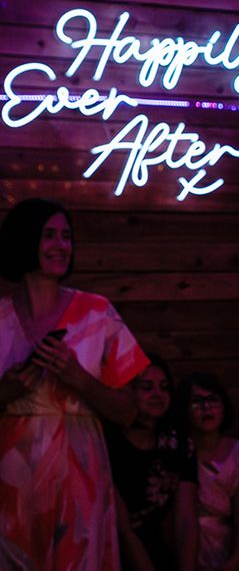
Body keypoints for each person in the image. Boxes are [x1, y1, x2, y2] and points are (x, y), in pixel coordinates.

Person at [0, 197, 149, 570]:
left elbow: (130, 412)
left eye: (66, 236)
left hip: (79, 472)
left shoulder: (97, 312)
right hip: (11, 474)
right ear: (24, 239)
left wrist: (78, 378)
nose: (61, 245)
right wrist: (7, 392)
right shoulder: (0, 317)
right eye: (49, 235)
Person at [105, 353, 199, 571]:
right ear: (128, 392)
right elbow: (123, 528)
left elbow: (186, 519)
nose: (158, 394)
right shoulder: (108, 445)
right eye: (147, 387)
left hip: (158, 548)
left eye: (164, 387)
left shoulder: (179, 445)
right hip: (111, 551)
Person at [178, 372, 239, 571]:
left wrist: (235, 561)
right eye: (198, 401)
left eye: (213, 400)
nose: (206, 408)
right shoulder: (179, 451)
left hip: (224, 545)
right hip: (183, 545)